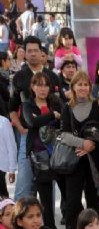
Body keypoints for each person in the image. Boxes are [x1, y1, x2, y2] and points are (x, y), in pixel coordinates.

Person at [60, 71, 99, 229]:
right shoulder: (67, 107)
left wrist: (93, 145)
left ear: (89, 87)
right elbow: (64, 135)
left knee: (93, 203)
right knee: (72, 204)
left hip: (93, 164)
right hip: (74, 163)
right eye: (78, 84)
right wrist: (84, 143)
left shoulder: (96, 106)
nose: (82, 88)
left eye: (85, 84)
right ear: (73, 87)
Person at [9, 36, 60, 199]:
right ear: (24, 53)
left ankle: (47, 220)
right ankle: (18, 221)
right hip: (29, 135)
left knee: (47, 181)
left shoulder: (52, 76)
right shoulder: (19, 77)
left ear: (41, 52)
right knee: (24, 180)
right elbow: (11, 108)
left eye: (35, 51)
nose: (32, 54)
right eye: (29, 51)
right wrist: (20, 128)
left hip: (50, 137)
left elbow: (60, 106)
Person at [21, 72, 63, 229]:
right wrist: (52, 115)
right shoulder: (27, 105)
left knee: (67, 194)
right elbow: (32, 122)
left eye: (46, 85)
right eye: (39, 84)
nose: (43, 88)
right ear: (33, 87)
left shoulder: (56, 102)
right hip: (39, 157)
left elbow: (62, 122)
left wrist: (48, 117)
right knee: (45, 198)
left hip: (59, 154)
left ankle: (71, 225)